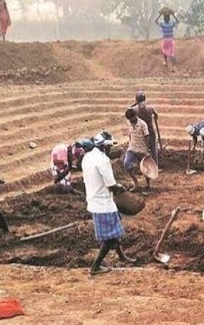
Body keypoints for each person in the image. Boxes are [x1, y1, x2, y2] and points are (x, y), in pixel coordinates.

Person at [81, 131, 137, 275]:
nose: (110, 150)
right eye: (109, 147)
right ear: (105, 147)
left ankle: (122, 256)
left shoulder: (87, 157)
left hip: (95, 199)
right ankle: (95, 266)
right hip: (103, 203)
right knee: (110, 238)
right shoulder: (103, 160)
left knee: (115, 231)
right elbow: (111, 186)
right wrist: (121, 188)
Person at [129, 90, 160, 165]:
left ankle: (143, 167)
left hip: (141, 134)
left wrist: (135, 103)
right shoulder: (150, 108)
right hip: (151, 132)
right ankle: (155, 167)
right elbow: (156, 115)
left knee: (142, 151)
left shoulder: (134, 109)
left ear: (136, 99)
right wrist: (154, 117)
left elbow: (128, 110)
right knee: (153, 151)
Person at [124, 108, 151, 190]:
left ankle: (148, 184)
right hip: (132, 148)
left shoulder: (143, 124)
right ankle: (136, 183)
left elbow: (147, 136)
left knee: (145, 169)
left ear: (135, 116)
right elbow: (129, 134)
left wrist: (147, 150)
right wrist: (130, 143)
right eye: (129, 119)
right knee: (126, 164)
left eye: (132, 118)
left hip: (142, 149)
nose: (131, 120)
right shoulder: (128, 122)